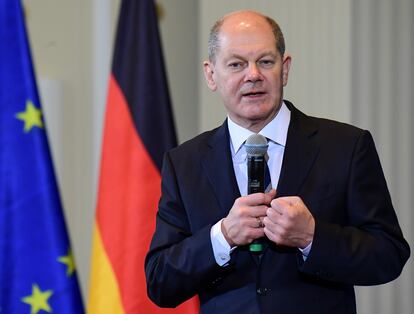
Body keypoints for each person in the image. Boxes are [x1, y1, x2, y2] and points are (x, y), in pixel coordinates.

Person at [145, 10, 410, 314]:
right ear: (211, 74)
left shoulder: (346, 146)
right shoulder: (184, 164)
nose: (253, 74)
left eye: (266, 62)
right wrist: (224, 235)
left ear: (284, 70)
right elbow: (159, 282)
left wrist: (312, 236)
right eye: (236, 64)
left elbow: (389, 255)